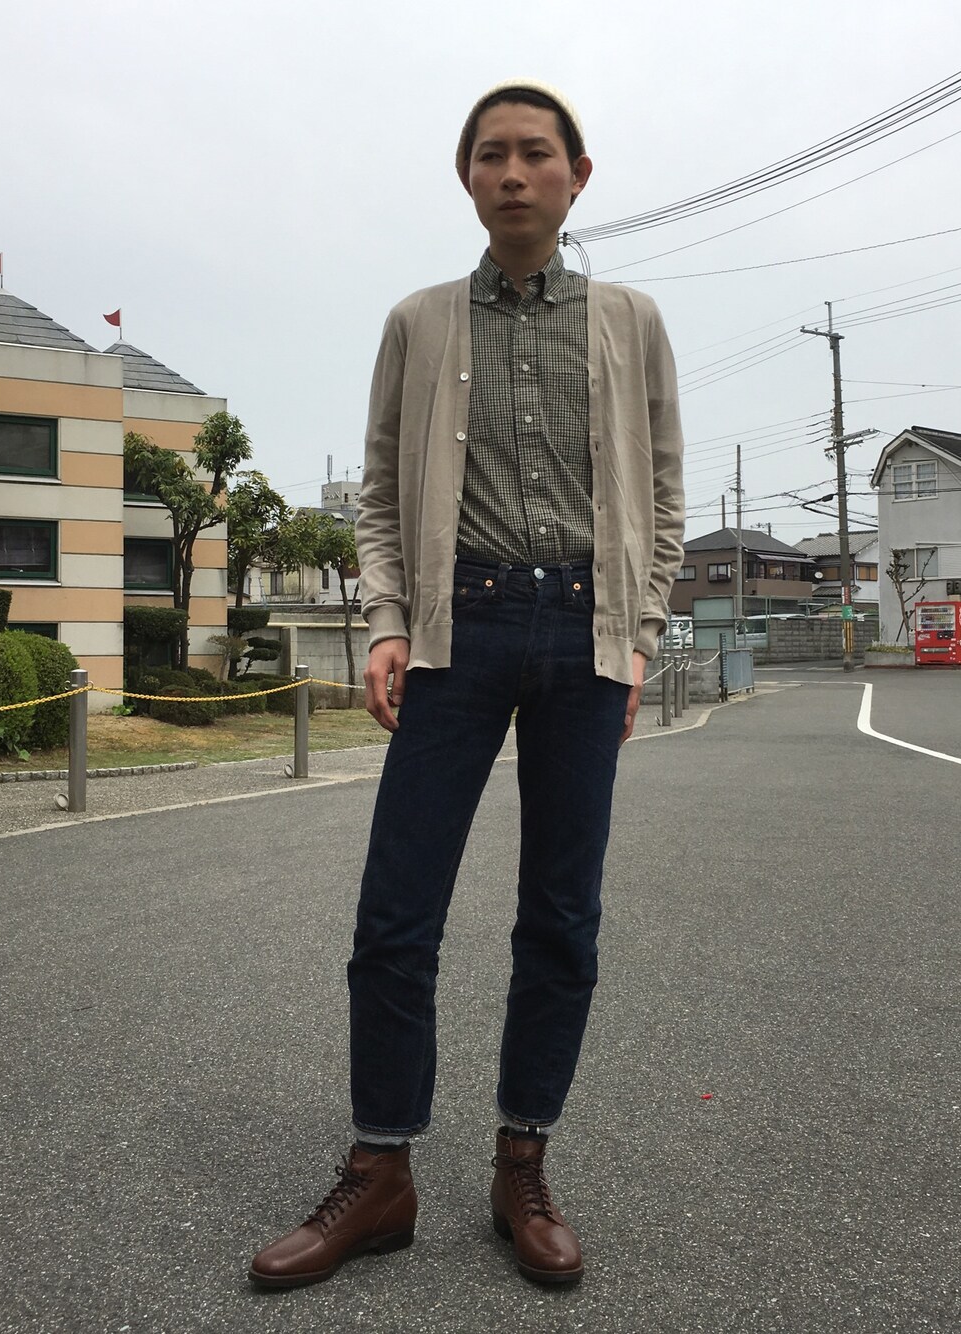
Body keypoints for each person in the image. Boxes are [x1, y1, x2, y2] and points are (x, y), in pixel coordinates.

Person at [249, 78, 685, 1291]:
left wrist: (636, 636)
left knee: (561, 915)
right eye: (490, 154)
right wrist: (388, 621)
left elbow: (662, 488)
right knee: (396, 912)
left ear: (576, 176)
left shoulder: (631, 319)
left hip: (584, 630)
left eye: (535, 153)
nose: (512, 172)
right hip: (460, 625)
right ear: (467, 178)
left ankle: (520, 1161)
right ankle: (380, 1166)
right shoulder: (419, 320)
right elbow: (383, 489)